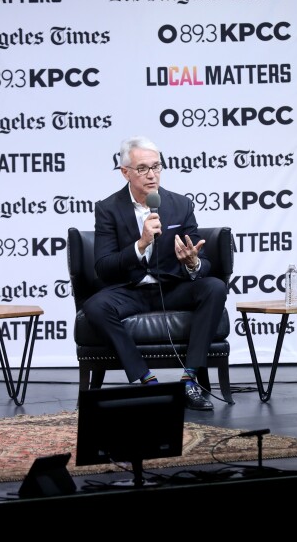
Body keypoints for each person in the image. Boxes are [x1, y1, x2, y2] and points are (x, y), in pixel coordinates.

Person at [82, 136, 228, 411]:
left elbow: (203, 259)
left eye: (156, 167)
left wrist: (193, 262)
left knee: (214, 286)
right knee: (95, 306)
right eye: (143, 169)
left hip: (172, 288)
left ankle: (189, 379)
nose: (152, 175)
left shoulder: (180, 205)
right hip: (131, 290)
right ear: (125, 172)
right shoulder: (108, 209)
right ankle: (146, 380)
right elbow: (103, 267)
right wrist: (140, 244)